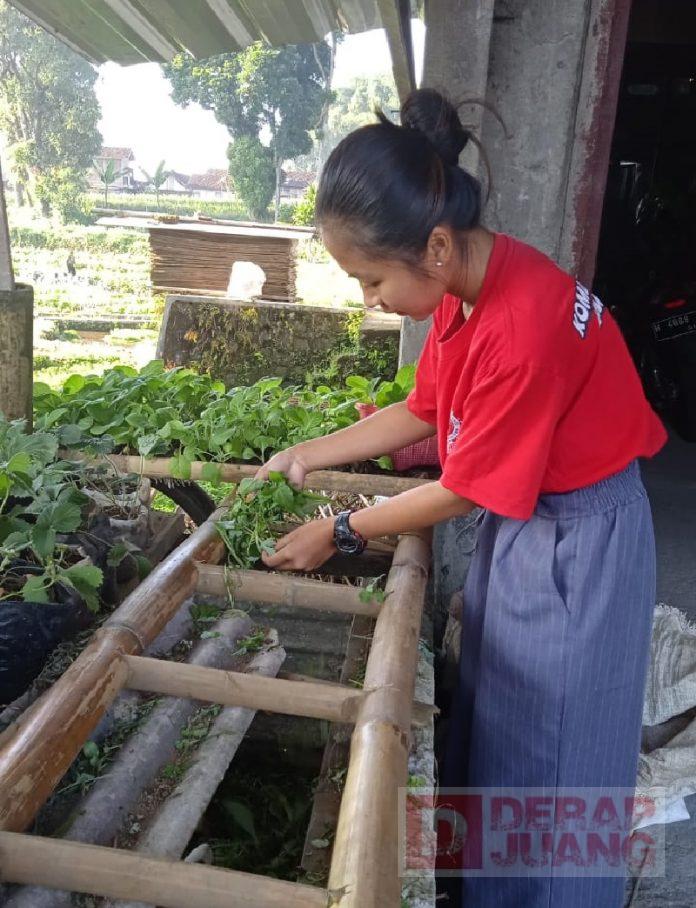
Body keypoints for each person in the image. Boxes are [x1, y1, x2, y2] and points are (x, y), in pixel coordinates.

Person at [256, 88, 667, 907]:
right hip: (533, 523)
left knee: (558, 760)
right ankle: (485, 894)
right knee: (501, 727)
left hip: (581, 541)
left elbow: (463, 489)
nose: (369, 300)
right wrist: (304, 453)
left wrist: (339, 531)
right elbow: (425, 409)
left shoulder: (523, 325)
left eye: (371, 280)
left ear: (435, 246)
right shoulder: (474, 285)